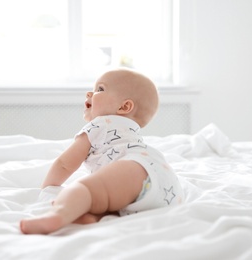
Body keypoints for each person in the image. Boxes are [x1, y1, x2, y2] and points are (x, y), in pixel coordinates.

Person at [20, 68, 184, 234]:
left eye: (100, 89)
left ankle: (57, 215)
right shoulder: (130, 132)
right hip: (167, 187)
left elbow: (64, 164)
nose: (89, 93)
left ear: (124, 106)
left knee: (86, 189)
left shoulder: (100, 124)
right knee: (108, 197)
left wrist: (48, 187)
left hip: (135, 168)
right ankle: (94, 216)